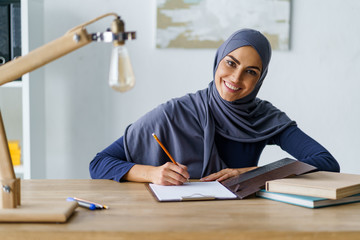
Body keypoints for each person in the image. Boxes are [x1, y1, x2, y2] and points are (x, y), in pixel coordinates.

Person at [89, 29, 340, 186]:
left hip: (238, 222)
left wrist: (248, 173)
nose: (236, 78)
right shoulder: (174, 113)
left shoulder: (264, 117)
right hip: (171, 222)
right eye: (231, 63)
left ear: (260, 79)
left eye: (250, 72)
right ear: (218, 60)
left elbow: (326, 162)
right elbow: (99, 163)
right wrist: (153, 174)